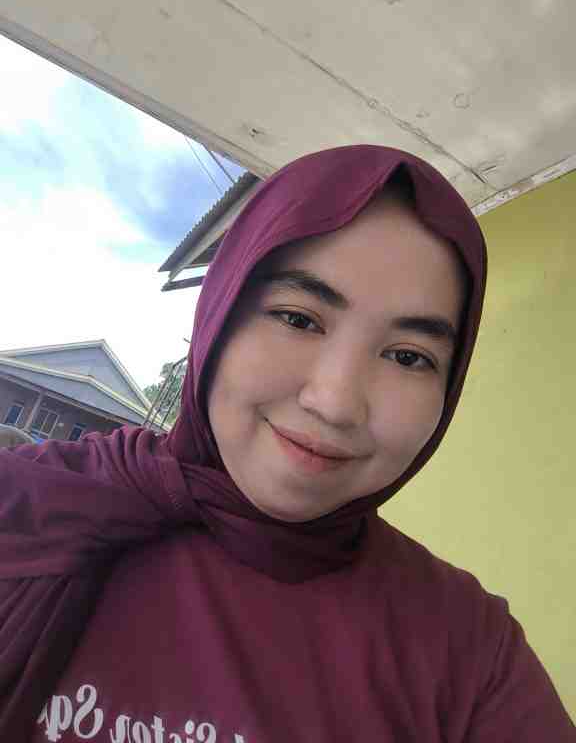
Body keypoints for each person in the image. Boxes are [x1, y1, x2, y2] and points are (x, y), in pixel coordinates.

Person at [0, 146, 573, 742]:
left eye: (408, 356)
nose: (335, 403)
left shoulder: (467, 649)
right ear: (219, 316)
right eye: (298, 319)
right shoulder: (26, 503)